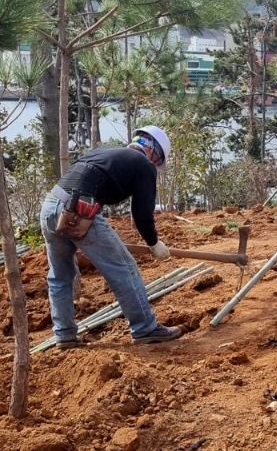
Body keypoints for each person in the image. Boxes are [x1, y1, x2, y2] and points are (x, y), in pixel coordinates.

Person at [40, 125, 182, 349]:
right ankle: (145, 328)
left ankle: (64, 335)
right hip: (80, 210)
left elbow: (85, 181)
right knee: (124, 267)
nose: (155, 165)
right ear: (154, 152)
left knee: (60, 275)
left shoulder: (103, 152)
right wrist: (154, 243)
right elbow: (142, 214)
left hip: (50, 206)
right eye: (157, 161)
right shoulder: (144, 165)